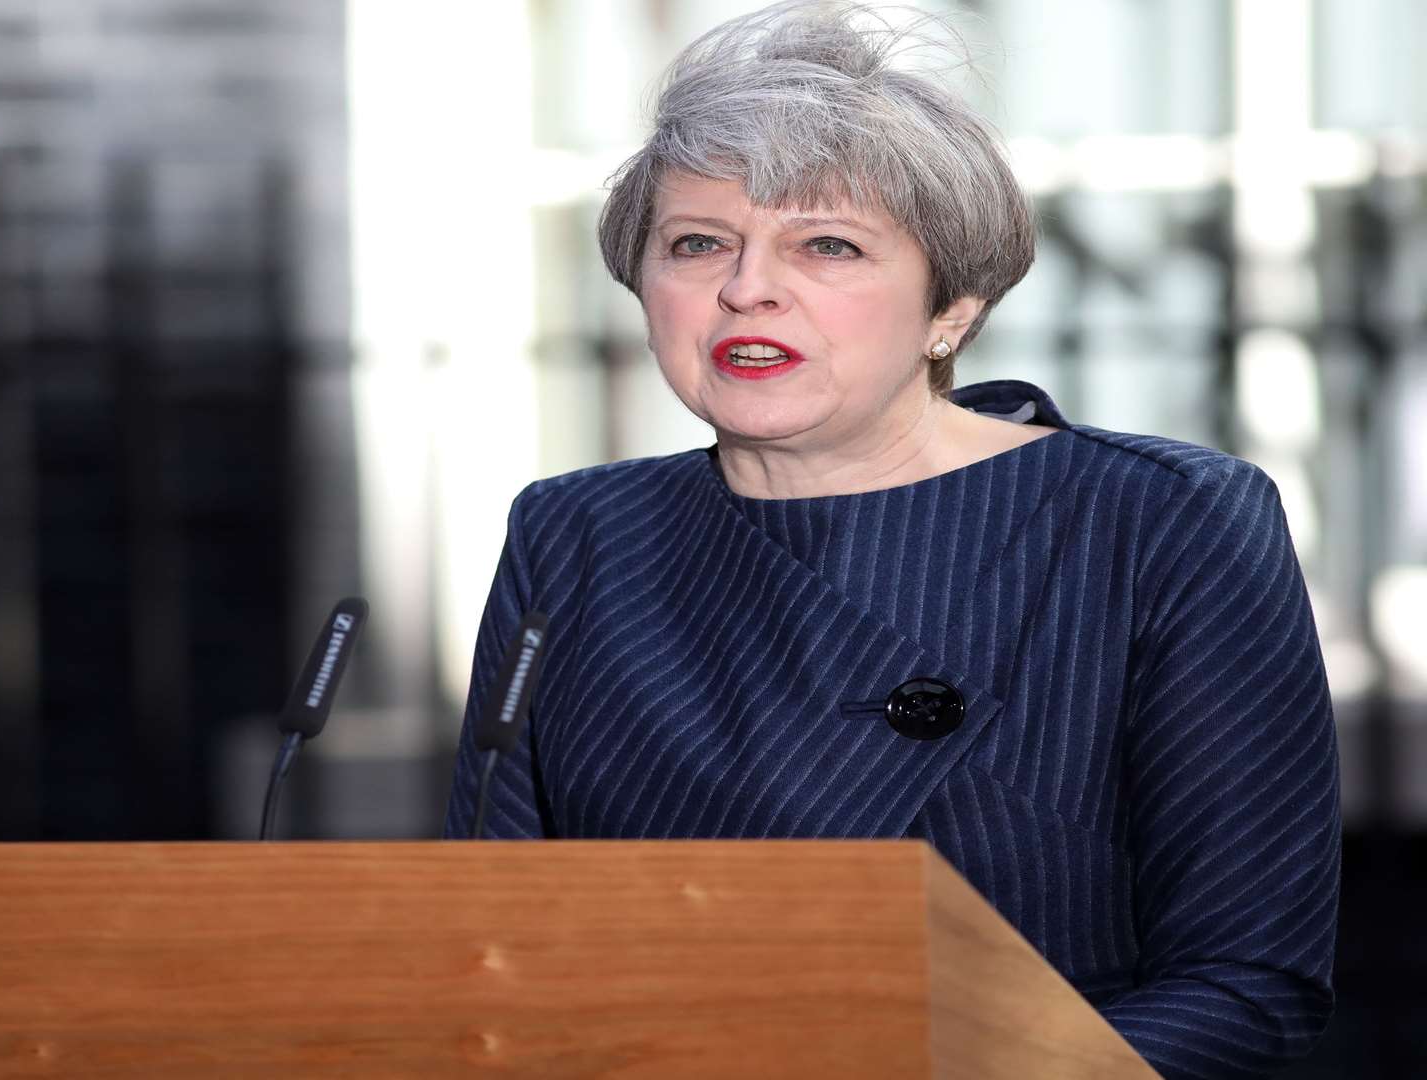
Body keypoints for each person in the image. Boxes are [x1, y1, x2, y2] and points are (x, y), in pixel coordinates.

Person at [442, 4, 1339, 1078]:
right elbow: (490, 947)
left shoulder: (1159, 520)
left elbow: (1248, 989)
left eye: (828, 245)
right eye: (697, 244)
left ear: (950, 309)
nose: (746, 287)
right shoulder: (576, 532)